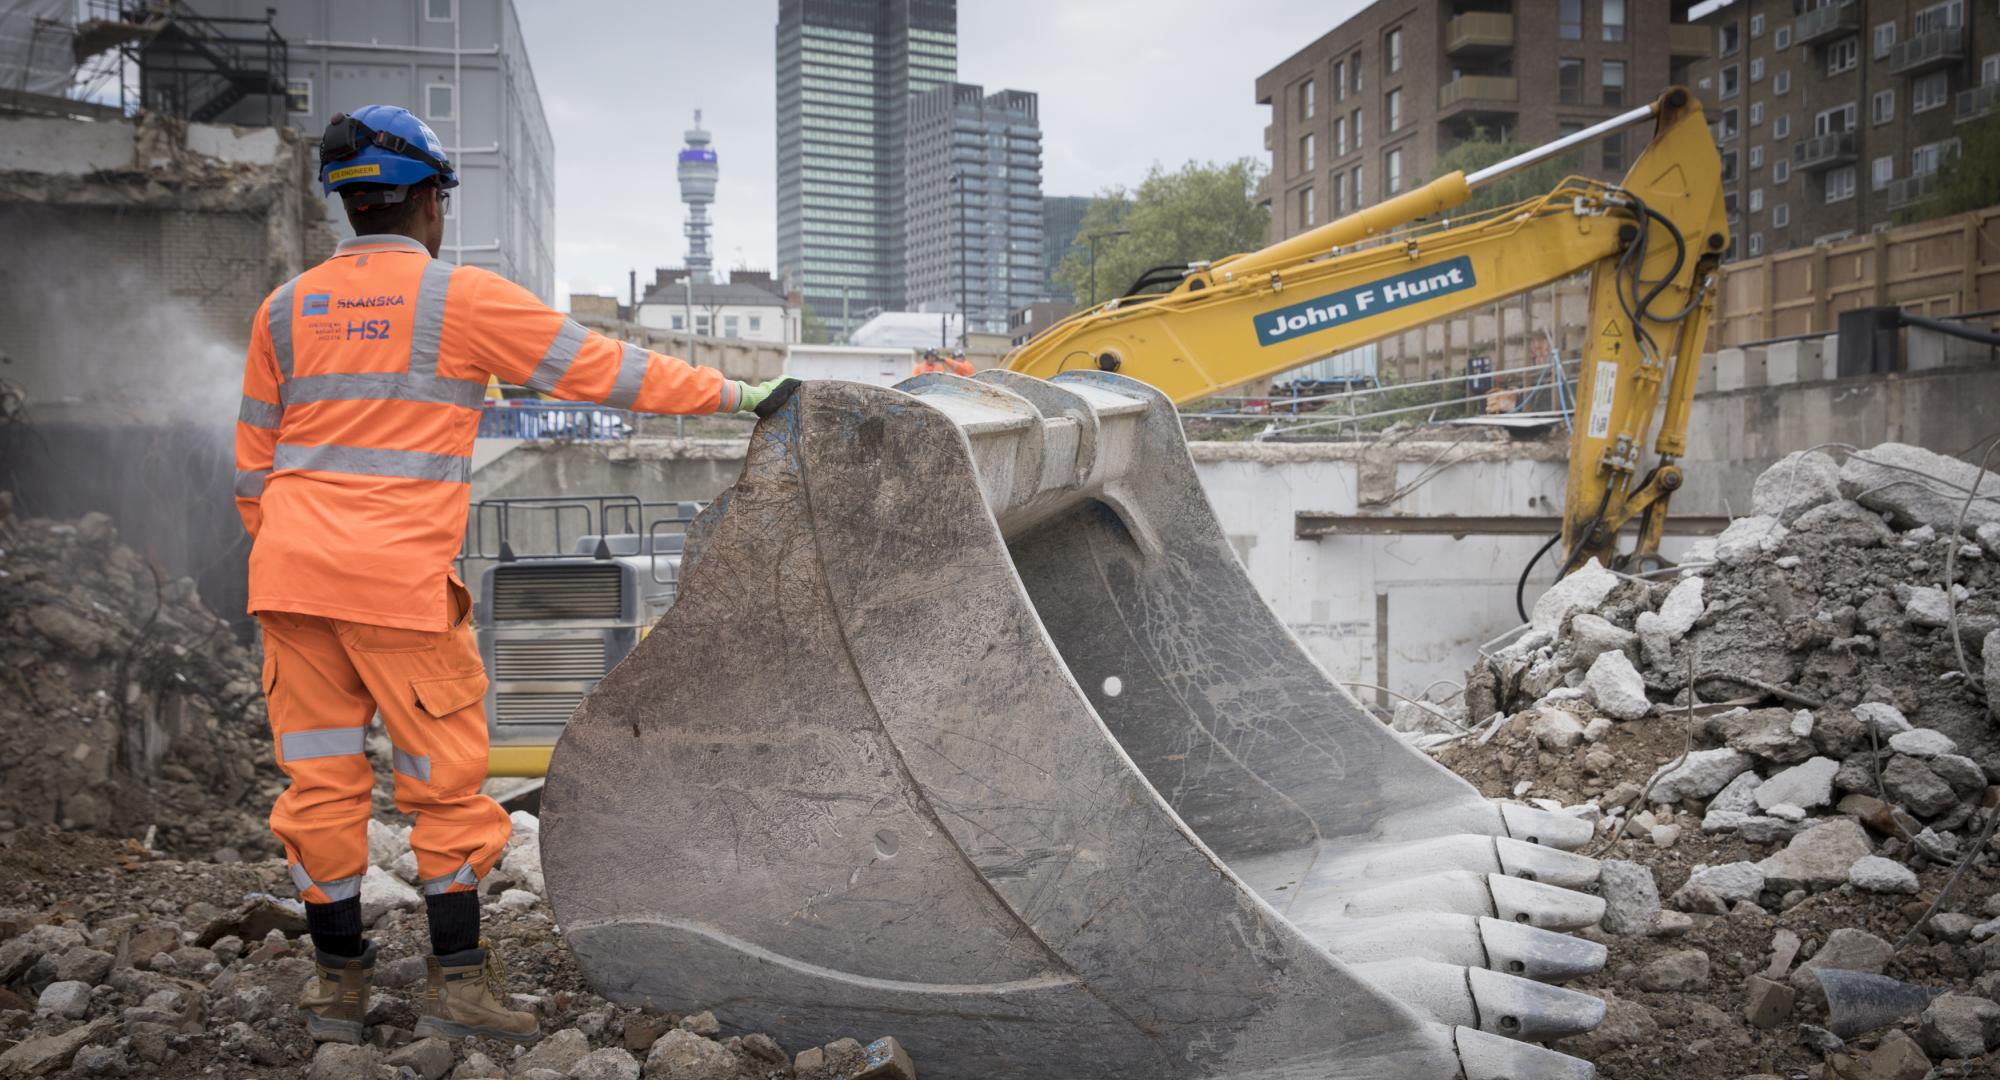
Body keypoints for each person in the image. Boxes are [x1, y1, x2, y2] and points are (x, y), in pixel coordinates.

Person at [232, 105, 795, 1047]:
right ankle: (458, 985)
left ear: (350, 205)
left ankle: (335, 990)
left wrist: (292, 546)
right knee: (445, 785)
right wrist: (738, 395)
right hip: (397, 588)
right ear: (427, 205)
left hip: (289, 579)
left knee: (319, 785)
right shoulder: (459, 299)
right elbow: (604, 370)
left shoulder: (283, 310)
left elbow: (254, 462)